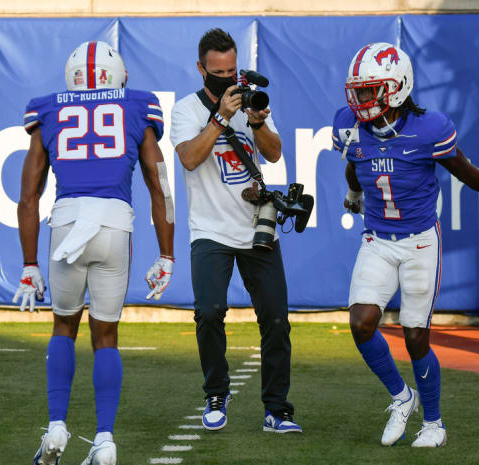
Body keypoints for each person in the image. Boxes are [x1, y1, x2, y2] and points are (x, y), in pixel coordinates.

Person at [332, 42, 479, 448]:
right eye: (358, 90)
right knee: (361, 323)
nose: (360, 99)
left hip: (419, 241)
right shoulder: (349, 125)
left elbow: (461, 167)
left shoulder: (429, 128)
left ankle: (434, 423)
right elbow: (355, 164)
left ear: (397, 87)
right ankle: (401, 397)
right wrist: (354, 198)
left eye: (370, 90)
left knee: (415, 336)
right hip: (377, 236)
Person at [14, 41, 175, 465]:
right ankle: (105, 441)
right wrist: (167, 253)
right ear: (117, 76)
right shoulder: (138, 106)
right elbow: (160, 185)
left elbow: (28, 198)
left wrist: (30, 263)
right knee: (106, 335)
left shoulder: (48, 110)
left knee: (64, 326)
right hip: (114, 223)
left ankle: (56, 428)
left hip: (67, 221)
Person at [170, 28, 301, 434]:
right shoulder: (185, 110)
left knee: (276, 319)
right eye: (218, 71)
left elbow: (275, 153)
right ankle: (216, 392)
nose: (227, 78)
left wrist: (256, 122)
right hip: (209, 230)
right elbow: (190, 159)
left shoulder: (249, 102)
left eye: (232, 69)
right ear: (201, 69)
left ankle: (276, 409)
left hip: (255, 227)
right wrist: (222, 117)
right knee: (209, 312)